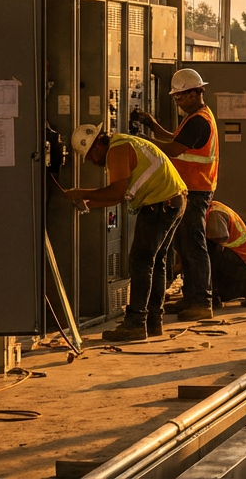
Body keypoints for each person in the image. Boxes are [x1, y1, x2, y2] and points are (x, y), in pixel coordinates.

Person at [65, 124, 187, 341]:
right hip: (173, 200)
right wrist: (88, 202)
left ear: (99, 144)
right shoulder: (124, 144)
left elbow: (117, 190)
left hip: (160, 203)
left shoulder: (117, 149)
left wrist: (79, 192)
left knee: (141, 261)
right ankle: (152, 321)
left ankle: (135, 323)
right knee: (155, 262)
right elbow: (121, 195)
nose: (93, 161)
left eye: (91, 156)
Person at [130, 68, 218, 321]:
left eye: (179, 97)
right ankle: (192, 297)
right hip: (191, 188)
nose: (177, 101)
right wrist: (152, 125)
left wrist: (139, 142)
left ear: (193, 94)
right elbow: (175, 139)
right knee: (185, 246)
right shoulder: (196, 118)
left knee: (193, 246)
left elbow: (174, 148)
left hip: (195, 189)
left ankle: (201, 301)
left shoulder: (199, 120)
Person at [204, 200, 246, 308]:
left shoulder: (213, 214)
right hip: (242, 261)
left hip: (241, 262)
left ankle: (213, 297)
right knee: (224, 293)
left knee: (206, 249)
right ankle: (245, 287)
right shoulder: (213, 207)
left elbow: (217, 244)